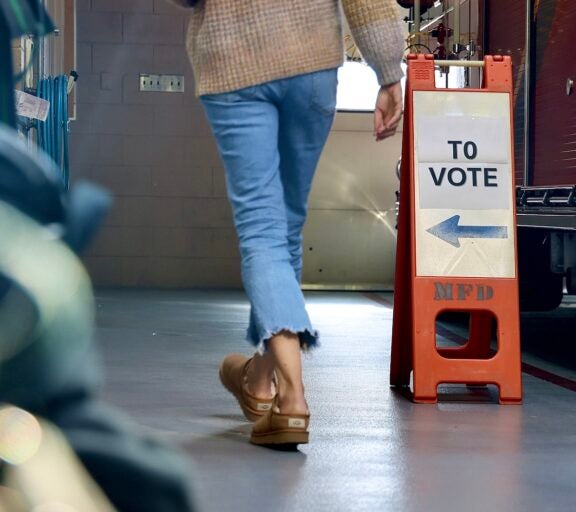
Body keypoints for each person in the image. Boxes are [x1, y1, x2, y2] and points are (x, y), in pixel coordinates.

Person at [169, 0, 404, 446]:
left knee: (263, 231)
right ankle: (260, 380)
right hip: (309, 62)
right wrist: (388, 72)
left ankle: (293, 399)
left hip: (232, 63)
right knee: (286, 228)